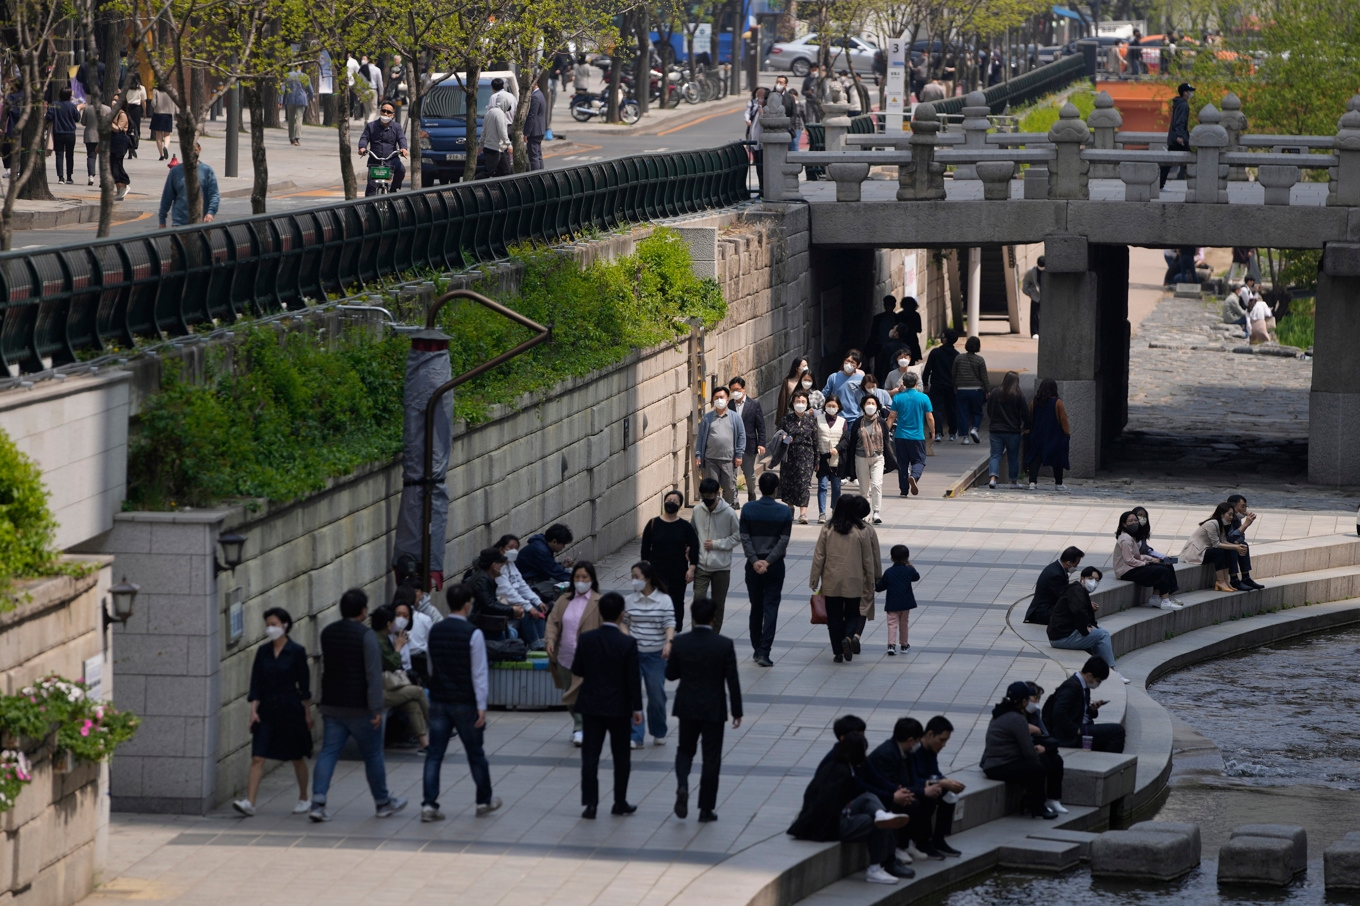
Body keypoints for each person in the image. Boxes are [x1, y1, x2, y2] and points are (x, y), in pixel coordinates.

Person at [309, 589, 405, 822]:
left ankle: (318, 802)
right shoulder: (367, 636)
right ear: (363, 611)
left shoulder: (328, 633)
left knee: (328, 752)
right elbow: (372, 674)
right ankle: (382, 802)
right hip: (361, 707)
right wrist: (376, 708)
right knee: (373, 755)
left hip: (332, 704)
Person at [788, 729, 913, 884]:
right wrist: (892, 797)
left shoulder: (844, 766)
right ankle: (875, 869)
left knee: (869, 799)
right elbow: (856, 789)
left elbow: (870, 784)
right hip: (830, 825)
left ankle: (881, 813)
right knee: (877, 824)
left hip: (838, 813)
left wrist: (893, 792)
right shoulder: (841, 771)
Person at [419, 583, 501, 821]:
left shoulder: (435, 630)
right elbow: (479, 673)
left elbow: (431, 667)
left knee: (434, 754)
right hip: (465, 702)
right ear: (467, 605)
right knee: (475, 753)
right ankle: (484, 800)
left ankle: (429, 805)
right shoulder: (473, 634)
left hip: (439, 700)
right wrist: (481, 706)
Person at [667, 596, 743, 822]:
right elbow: (732, 680)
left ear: (692, 616)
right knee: (711, 757)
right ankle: (706, 809)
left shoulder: (680, 642)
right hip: (713, 707)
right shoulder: (724, 644)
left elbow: (671, 675)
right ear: (713, 618)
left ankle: (682, 785)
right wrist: (736, 711)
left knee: (685, 750)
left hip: (687, 705)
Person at [232, 608, 312, 817]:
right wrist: (253, 710)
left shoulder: (296, 651)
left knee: (297, 756)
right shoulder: (263, 652)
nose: (270, 628)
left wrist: (307, 712)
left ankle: (304, 797)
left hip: (290, 707)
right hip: (267, 708)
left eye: (274, 624)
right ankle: (250, 802)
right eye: (268, 625)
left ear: (285, 625)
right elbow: (256, 683)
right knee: (258, 756)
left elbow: (304, 685)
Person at [573, 592, 643, 819]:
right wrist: (637, 708)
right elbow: (633, 678)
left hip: (591, 705)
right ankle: (619, 802)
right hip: (619, 707)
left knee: (590, 756)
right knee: (621, 756)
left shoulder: (587, 639)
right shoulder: (628, 643)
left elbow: (577, 669)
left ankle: (590, 804)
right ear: (622, 614)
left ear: (600, 613)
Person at [811, 494, 880, 664]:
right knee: (852, 613)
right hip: (854, 580)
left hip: (831, 580)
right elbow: (868, 559)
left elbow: (819, 555)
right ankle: (848, 637)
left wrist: (814, 578)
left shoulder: (827, 529)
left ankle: (837, 652)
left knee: (834, 617)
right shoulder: (861, 531)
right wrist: (871, 580)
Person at [980, 681, 1061, 819]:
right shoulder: (1017, 718)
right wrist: (1036, 752)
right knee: (1038, 766)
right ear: (1023, 701)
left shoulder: (1000, 712)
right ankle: (1038, 805)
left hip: (996, 763)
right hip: (998, 766)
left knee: (1041, 760)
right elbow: (1028, 752)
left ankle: (1032, 800)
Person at [545, 562, 603, 746]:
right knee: (570, 694)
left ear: (592, 579)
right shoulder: (564, 600)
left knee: (583, 694)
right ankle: (579, 725)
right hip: (565, 656)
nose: (580, 581)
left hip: (588, 659)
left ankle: (580, 727)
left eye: (584, 577)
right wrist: (550, 641)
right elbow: (553, 622)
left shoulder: (598, 602)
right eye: (577, 577)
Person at [741, 471, 792, 668]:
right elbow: (783, 540)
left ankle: (756, 647)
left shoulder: (748, 509)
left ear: (760, 488)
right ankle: (764, 651)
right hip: (775, 565)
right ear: (776, 489)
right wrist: (768, 562)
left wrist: (755, 560)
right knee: (771, 607)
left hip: (753, 565)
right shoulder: (784, 512)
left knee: (756, 607)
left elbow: (745, 537)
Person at [1047, 566, 1130, 683]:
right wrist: (1085, 630)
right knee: (1103, 635)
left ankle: (1101, 669)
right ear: (1082, 578)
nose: (1093, 582)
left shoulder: (1077, 590)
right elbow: (1079, 612)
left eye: (1097, 580)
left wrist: (1089, 617)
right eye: (1090, 578)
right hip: (1061, 638)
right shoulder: (1077, 591)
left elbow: (1078, 610)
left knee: (1098, 632)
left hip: (1061, 634)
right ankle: (1112, 671)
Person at [625, 560, 676, 749]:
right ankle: (635, 735)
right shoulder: (630, 600)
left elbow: (669, 623)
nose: (634, 580)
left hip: (656, 655)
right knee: (632, 696)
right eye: (632, 577)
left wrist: (669, 642)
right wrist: (626, 639)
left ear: (647, 578)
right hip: (634, 655)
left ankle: (659, 730)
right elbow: (624, 622)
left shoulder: (664, 600)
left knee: (656, 695)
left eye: (636, 577)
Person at [370, 606, 430, 748]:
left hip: (386, 687)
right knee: (418, 691)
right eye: (394, 620)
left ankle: (425, 744)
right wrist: (398, 647)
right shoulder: (379, 641)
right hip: (380, 691)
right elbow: (392, 664)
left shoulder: (382, 638)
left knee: (412, 704)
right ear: (388, 624)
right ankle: (437, 725)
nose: (397, 623)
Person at [641, 490, 700, 630]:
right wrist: (645, 570)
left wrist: (692, 568)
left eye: (675, 501)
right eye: (669, 500)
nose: (671, 503)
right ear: (664, 502)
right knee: (657, 600)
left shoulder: (685, 526)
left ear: (680, 505)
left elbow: (694, 546)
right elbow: (645, 549)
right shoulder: (653, 523)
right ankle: (657, 628)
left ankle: (675, 629)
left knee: (677, 601)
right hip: (657, 571)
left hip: (678, 572)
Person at [1046, 656, 1126, 753]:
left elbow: (1079, 711)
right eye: (1098, 680)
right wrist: (1075, 730)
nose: (1098, 684)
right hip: (1072, 735)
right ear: (1089, 675)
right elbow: (1058, 712)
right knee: (1117, 731)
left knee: (1110, 734)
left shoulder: (1084, 686)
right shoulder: (1071, 687)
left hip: (1083, 727)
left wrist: (1092, 709)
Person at [691, 478, 741, 631]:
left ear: (717, 494)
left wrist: (717, 544)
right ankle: (697, 635)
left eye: (710, 495)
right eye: (704, 495)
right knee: (698, 602)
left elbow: (737, 536)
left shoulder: (729, 513)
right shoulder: (697, 510)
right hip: (701, 566)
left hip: (721, 567)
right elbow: (692, 534)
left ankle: (714, 636)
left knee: (718, 605)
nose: (707, 499)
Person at [912, 716, 965, 856]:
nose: (943, 745)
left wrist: (949, 782)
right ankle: (922, 842)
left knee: (949, 793)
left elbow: (935, 773)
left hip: (924, 784)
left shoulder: (931, 750)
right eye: (941, 740)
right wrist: (941, 782)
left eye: (946, 741)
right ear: (930, 734)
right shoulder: (915, 751)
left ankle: (939, 839)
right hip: (913, 788)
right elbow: (913, 780)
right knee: (932, 795)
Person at [1116, 510, 1184, 607]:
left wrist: (1151, 559)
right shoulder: (1126, 539)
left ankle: (1156, 598)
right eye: (1130, 521)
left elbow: (1137, 556)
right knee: (1161, 571)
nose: (1134, 523)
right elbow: (1129, 560)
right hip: (1126, 571)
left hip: (1133, 566)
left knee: (1164, 566)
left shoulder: (1131, 536)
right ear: (1124, 524)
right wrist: (1144, 563)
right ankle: (1165, 601)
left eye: (1135, 520)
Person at [846, 391, 894, 523]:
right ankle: (864, 513)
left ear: (877, 406)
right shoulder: (858, 422)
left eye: (873, 403)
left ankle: (876, 512)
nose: (870, 406)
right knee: (864, 488)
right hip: (861, 458)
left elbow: (886, 441)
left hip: (878, 458)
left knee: (877, 484)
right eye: (868, 403)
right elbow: (852, 442)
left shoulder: (881, 422)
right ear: (863, 406)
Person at [492, 534, 548, 645]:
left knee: (538, 607)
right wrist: (528, 606)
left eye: (516, 548)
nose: (514, 550)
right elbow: (507, 591)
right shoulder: (497, 567)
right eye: (510, 547)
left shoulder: (511, 564)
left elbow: (522, 585)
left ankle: (541, 640)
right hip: (502, 602)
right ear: (501, 549)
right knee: (524, 611)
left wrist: (537, 601)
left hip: (514, 600)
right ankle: (534, 643)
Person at [695, 385, 746, 508]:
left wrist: (739, 454)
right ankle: (713, 508)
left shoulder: (735, 417)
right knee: (711, 487)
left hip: (728, 459)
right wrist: (698, 455)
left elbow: (741, 436)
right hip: (710, 459)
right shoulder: (707, 418)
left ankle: (727, 507)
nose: (719, 400)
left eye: (721, 397)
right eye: (716, 398)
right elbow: (700, 437)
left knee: (729, 487)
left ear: (727, 399)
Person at [1179, 502, 1247, 593]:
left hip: (1206, 550)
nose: (1231, 517)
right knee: (1219, 551)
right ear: (1221, 514)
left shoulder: (1222, 524)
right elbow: (1216, 544)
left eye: (1232, 515)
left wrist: (1236, 546)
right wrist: (1235, 547)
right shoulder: (1212, 523)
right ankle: (1220, 581)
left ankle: (1226, 581)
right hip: (1196, 552)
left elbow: (1223, 541)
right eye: (1229, 514)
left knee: (1229, 550)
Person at [887, 372, 933, 497]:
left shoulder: (898, 397)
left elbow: (891, 416)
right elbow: (929, 417)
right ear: (917, 383)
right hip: (917, 436)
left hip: (900, 436)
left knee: (902, 463)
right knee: (919, 461)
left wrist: (886, 432)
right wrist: (933, 432)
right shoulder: (924, 398)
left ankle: (903, 491)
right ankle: (914, 476)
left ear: (903, 383)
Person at [778, 388, 819, 524]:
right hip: (789, 456)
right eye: (797, 401)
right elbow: (778, 437)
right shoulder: (786, 420)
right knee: (788, 483)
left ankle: (803, 513)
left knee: (803, 484)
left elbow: (816, 441)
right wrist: (785, 439)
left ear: (807, 403)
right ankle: (790, 508)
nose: (800, 404)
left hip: (806, 457)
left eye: (803, 401)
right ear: (793, 403)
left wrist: (817, 460)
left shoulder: (811, 421)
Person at [157, 143, 220, 227]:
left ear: (199, 149)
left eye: (194, 149)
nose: (191, 153)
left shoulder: (207, 171)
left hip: (202, 223)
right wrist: (162, 220)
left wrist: (210, 213)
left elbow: (214, 195)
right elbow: (167, 197)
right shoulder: (175, 172)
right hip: (180, 223)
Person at [985, 372, 1030, 489]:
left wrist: (993, 421)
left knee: (995, 455)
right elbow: (1025, 413)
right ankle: (1013, 482)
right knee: (1013, 457)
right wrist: (1027, 426)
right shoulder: (1018, 395)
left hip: (996, 430)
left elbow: (989, 409)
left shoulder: (995, 392)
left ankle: (993, 479)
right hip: (1012, 431)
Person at [467, 547, 524, 637]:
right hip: (479, 624)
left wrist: (511, 609)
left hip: (484, 620)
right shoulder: (482, 581)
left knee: (513, 632)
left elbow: (492, 602)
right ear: (494, 566)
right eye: (501, 564)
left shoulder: (486, 577)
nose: (502, 567)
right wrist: (511, 610)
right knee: (511, 634)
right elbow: (488, 606)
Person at [356, 102, 409, 195]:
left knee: (401, 170)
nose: (385, 113)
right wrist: (362, 148)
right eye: (383, 111)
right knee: (371, 188)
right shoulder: (371, 126)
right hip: (375, 160)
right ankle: (370, 204)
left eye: (389, 112)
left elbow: (401, 138)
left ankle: (393, 189)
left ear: (393, 115)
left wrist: (403, 148)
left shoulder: (396, 127)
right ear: (380, 112)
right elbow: (364, 138)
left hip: (391, 160)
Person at [728, 377, 766, 507]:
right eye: (732, 390)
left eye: (737, 390)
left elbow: (760, 426)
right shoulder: (729, 405)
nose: (735, 392)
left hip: (749, 444)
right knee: (732, 475)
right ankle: (734, 500)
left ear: (744, 389)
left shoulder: (754, 405)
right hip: (731, 445)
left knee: (749, 474)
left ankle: (751, 493)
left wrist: (761, 443)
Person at [1026, 379, 1070, 490]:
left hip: (1037, 435)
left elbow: (1031, 417)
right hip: (1054, 435)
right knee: (1057, 459)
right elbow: (1063, 419)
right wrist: (1067, 433)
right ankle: (1058, 483)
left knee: (1035, 459)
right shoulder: (1057, 402)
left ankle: (1032, 482)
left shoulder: (1034, 402)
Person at [1024, 546, 1084, 624]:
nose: (1076, 567)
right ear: (1068, 563)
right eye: (1076, 565)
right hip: (1043, 612)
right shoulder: (1055, 575)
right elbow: (1063, 595)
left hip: (1048, 607)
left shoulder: (1057, 568)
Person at [876, 545, 919, 655]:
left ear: (891, 558)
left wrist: (874, 583)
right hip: (906, 603)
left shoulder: (889, 572)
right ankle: (904, 645)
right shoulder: (909, 570)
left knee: (892, 624)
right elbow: (916, 577)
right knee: (904, 623)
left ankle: (891, 645)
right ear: (907, 557)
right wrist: (910, 565)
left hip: (892, 603)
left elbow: (880, 587)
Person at [390, 585, 435, 684]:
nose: (402, 619)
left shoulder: (422, 619)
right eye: (398, 614)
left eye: (405, 615)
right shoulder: (391, 627)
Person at [922, 328, 960, 442]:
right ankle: (952, 433)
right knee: (951, 409)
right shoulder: (957, 355)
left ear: (945, 339)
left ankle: (937, 432)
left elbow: (927, 369)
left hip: (937, 385)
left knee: (937, 409)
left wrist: (925, 383)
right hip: (951, 386)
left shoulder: (935, 352)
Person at [815, 395, 849, 522]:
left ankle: (835, 510)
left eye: (834, 406)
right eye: (829, 405)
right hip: (822, 458)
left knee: (836, 487)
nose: (831, 408)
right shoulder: (818, 419)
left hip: (837, 459)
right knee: (822, 486)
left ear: (838, 407)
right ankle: (822, 513)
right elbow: (814, 438)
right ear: (825, 406)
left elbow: (846, 439)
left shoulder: (842, 421)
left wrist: (837, 448)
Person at [951, 336, 989, 445]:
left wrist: (955, 386)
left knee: (963, 413)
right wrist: (987, 390)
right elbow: (984, 377)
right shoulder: (980, 360)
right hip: (976, 390)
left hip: (961, 389)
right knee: (978, 411)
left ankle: (965, 438)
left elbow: (953, 374)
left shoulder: (958, 358)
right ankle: (975, 429)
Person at [518, 523, 575, 590]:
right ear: (554, 541)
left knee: (569, 572)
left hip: (537, 577)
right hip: (527, 584)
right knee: (563, 589)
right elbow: (555, 572)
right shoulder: (541, 550)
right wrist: (578, 580)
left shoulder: (543, 544)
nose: (563, 547)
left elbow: (549, 566)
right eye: (563, 544)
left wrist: (562, 565)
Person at [1226, 495, 1265, 590]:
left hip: (1229, 543)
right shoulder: (1226, 518)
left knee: (1243, 544)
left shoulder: (1237, 518)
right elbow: (1229, 538)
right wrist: (1246, 524)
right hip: (1215, 546)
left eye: (1245, 507)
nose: (1245, 509)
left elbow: (1241, 536)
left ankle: (1246, 577)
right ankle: (1234, 579)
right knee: (1233, 547)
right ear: (1234, 507)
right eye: (1242, 506)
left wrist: (1237, 541)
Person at [823, 349, 866, 433]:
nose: (849, 364)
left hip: (854, 419)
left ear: (857, 365)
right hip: (837, 418)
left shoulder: (861, 380)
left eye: (852, 362)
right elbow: (824, 394)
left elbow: (865, 398)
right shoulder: (834, 377)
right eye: (847, 360)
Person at [1160, 82, 1193, 188]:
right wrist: (1180, 136)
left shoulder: (1179, 103)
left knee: (1168, 162)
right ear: (1185, 93)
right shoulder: (1183, 105)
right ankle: (1198, 182)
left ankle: (1159, 184)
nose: (1191, 93)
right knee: (1192, 159)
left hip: (1174, 138)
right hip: (1178, 138)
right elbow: (1180, 122)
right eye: (1189, 91)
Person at [45, 88, 80, 185]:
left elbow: (49, 117)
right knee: (70, 155)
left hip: (58, 132)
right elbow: (77, 118)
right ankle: (69, 177)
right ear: (69, 96)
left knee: (59, 155)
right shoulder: (72, 106)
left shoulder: (54, 105)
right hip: (70, 133)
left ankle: (60, 177)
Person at [865, 296, 902, 384]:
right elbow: (873, 334)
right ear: (884, 305)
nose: (889, 307)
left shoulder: (898, 319)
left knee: (893, 368)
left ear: (894, 305)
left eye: (891, 304)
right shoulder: (878, 318)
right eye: (887, 304)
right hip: (880, 348)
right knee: (879, 368)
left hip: (894, 349)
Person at [282, 67, 313, 146]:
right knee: (299, 118)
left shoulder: (287, 75)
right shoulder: (305, 76)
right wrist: (312, 97)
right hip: (301, 99)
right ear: (301, 67)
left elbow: (282, 88)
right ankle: (297, 138)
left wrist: (280, 100)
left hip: (290, 99)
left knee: (291, 119)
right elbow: (310, 89)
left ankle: (291, 138)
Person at [108, 100, 131, 200]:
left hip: (119, 142)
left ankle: (125, 184)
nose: (113, 102)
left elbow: (118, 129)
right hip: (113, 141)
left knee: (117, 165)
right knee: (113, 166)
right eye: (113, 99)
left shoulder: (122, 115)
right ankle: (119, 191)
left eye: (116, 100)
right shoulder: (113, 114)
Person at [776, 357, 811, 423]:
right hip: (791, 415)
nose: (806, 368)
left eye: (807, 365)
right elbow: (782, 401)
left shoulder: (808, 381)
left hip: (806, 415)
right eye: (804, 366)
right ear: (797, 368)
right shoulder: (787, 382)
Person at [890, 298, 924, 365]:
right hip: (909, 340)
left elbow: (919, 329)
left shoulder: (900, 315)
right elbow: (919, 329)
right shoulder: (915, 315)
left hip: (908, 340)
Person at [524, 82, 547, 171]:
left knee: (533, 156)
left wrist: (527, 132)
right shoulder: (540, 94)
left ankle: (536, 175)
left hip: (534, 130)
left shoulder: (535, 97)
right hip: (540, 129)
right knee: (538, 155)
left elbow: (532, 116)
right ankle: (541, 173)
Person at [150, 86, 176, 160]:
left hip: (158, 114)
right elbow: (175, 102)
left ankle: (161, 154)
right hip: (168, 114)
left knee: (158, 134)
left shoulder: (156, 90)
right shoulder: (172, 90)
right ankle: (166, 147)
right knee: (167, 134)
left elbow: (153, 103)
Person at [122, 74, 145, 158]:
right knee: (136, 129)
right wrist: (144, 112)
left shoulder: (126, 87)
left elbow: (123, 98)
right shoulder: (141, 88)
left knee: (127, 128)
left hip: (128, 108)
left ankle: (128, 147)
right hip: (136, 109)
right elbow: (143, 101)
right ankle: (133, 145)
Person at [1022, 256, 1044, 338]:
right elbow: (1025, 283)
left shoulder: (1049, 271)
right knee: (1034, 314)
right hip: (1036, 296)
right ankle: (1035, 332)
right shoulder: (1031, 271)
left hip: (1047, 296)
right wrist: (1029, 293)